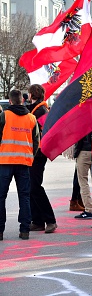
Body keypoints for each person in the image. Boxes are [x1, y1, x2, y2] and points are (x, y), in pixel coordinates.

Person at [0, 89, 39, 240]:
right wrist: (30, 155)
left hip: (5, 162)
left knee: (1, 196)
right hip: (24, 162)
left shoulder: (4, 116)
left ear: (10, 101)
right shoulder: (31, 118)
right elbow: (36, 141)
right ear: (22, 100)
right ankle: (24, 230)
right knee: (24, 196)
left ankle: (0, 231)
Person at [26, 84, 57, 234]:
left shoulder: (41, 111)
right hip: (33, 153)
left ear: (32, 95)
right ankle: (37, 221)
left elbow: (45, 133)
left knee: (35, 187)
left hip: (38, 154)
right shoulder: (37, 110)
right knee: (32, 187)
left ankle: (50, 220)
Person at [74, 132, 92, 219]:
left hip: (83, 152)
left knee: (83, 182)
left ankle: (88, 209)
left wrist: (75, 153)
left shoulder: (82, 122)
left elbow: (78, 139)